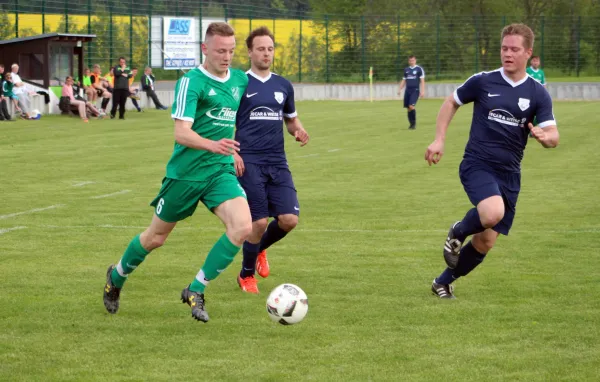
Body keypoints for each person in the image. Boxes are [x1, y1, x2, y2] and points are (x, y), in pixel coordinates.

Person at [103, 22, 251, 323]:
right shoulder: (191, 82)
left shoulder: (238, 80)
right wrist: (214, 145)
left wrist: (231, 150)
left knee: (242, 227)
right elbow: (182, 133)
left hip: (218, 172)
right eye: (221, 51)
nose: (227, 57)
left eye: (232, 51)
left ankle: (196, 289)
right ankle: (116, 277)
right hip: (185, 174)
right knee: (155, 238)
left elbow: (226, 121)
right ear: (204, 49)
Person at [424, 23, 559, 299]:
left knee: (485, 240)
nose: (508, 54)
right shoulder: (483, 81)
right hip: (478, 164)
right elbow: (452, 102)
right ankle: (458, 230)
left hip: (509, 174)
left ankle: (443, 281)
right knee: (492, 213)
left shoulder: (537, 92)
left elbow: (554, 135)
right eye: (504, 48)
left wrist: (546, 137)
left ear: (528, 52)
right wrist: (439, 139)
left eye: (514, 49)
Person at [233, 27, 310, 294]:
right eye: (261, 49)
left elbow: (290, 119)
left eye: (270, 48)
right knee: (258, 222)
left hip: (277, 160)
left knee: (289, 220)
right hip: (249, 160)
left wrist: (298, 130)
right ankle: (245, 275)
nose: (266, 53)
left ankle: (260, 248)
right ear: (250, 52)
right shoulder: (238, 83)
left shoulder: (283, 85)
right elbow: (226, 123)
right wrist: (232, 152)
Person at [397, 55, 425, 129]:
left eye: (413, 60)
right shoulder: (406, 70)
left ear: (415, 60)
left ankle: (414, 123)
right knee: (408, 108)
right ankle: (411, 124)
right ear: (408, 61)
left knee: (411, 106)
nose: (411, 62)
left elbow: (422, 81)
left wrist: (422, 91)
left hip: (415, 90)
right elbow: (404, 80)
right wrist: (399, 89)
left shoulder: (419, 69)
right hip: (407, 90)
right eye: (410, 60)